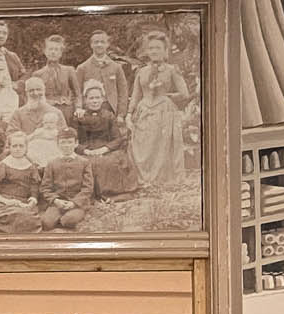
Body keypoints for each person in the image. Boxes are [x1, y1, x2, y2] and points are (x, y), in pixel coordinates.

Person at [129, 29, 193, 188]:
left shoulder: (172, 70)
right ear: (147, 51)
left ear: (165, 51)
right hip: (144, 111)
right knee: (142, 145)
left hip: (164, 112)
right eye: (151, 48)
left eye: (158, 48)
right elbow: (136, 95)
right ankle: (144, 179)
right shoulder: (141, 71)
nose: (154, 51)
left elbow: (185, 94)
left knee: (161, 146)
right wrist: (129, 114)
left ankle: (161, 180)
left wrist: (167, 97)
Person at [71, 79, 136, 198]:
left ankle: (111, 193)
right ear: (85, 100)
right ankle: (91, 194)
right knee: (86, 163)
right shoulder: (79, 117)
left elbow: (117, 139)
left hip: (106, 149)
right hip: (86, 149)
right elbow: (74, 140)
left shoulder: (109, 116)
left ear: (103, 99)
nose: (94, 101)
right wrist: (86, 151)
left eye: (97, 98)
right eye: (91, 98)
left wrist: (104, 149)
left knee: (109, 162)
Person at [75, 29, 129, 118]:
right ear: (91, 45)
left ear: (107, 44)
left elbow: (123, 92)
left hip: (111, 111)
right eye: (96, 42)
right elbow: (77, 93)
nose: (99, 45)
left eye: (102, 42)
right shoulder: (82, 68)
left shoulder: (116, 67)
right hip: (89, 112)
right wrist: (79, 108)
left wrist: (121, 114)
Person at [35, 33, 80, 123]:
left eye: (56, 49)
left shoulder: (69, 70)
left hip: (67, 111)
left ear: (61, 53)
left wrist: (78, 108)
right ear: (45, 51)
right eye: (50, 49)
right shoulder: (38, 74)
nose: (53, 52)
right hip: (47, 112)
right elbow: (36, 97)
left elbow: (77, 94)